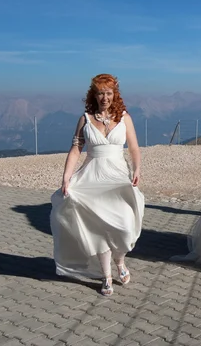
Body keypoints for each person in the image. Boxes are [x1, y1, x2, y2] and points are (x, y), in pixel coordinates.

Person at [50, 73, 144, 296]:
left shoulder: (124, 117)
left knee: (124, 225)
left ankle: (119, 262)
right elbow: (75, 150)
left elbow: (134, 148)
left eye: (109, 93)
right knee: (99, 230)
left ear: (115, 94)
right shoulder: (84, 119)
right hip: (92, 179)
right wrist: (66, 177)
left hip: (118, 178)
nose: (104, 97)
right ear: (94, 94)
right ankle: (106, 276)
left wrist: (137, 168)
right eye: (100, 93)